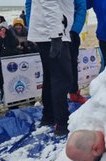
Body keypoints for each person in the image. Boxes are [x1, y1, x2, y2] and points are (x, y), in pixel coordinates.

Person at [26, 0, 74, 136]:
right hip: (52, 33)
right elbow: (49, 3)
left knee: (50, 76)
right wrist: (56, 35)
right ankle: (62, 124)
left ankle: (49, 116)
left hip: (50, 32)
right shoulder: (55, 33)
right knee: (62, 79)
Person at [68, 0, 88, 104]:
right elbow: (30, 4)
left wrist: (75, 31)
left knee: (72, 64)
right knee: (52, 68)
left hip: (71, 32)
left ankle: (73, 93)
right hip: (47, 33)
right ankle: (52, 101)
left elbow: (81, 8)